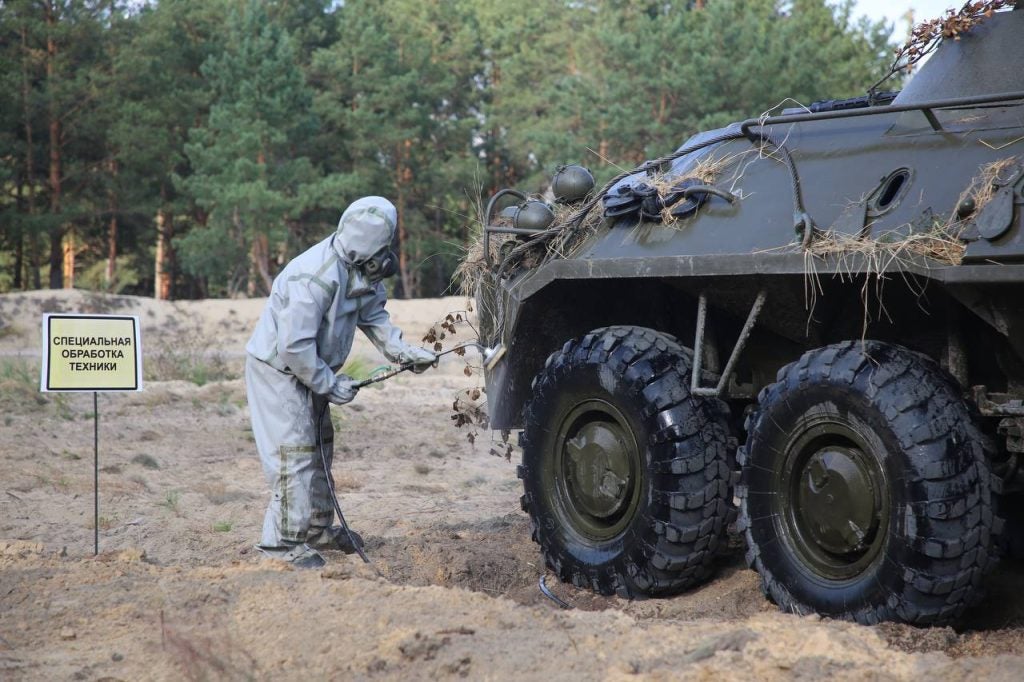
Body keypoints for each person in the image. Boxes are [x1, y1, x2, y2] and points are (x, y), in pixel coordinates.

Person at [245, 196, 435, 568]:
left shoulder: (363, 269)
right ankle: (281, 546)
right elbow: (294, 346)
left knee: (319, 446)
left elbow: (375, 316)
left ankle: (316, 530)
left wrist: (403, 352)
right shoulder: (314, 277)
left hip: (312, 368)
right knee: (295, 452)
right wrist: (329, 383)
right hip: (279, 371)